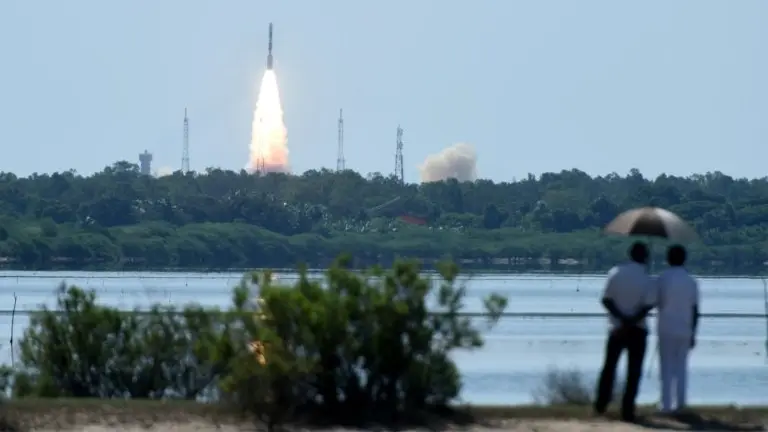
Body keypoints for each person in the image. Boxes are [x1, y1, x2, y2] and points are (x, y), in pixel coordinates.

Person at [594, 242, 655, 422]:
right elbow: (647, 306)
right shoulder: (647, 279)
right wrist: (631, 321)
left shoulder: (615, 273)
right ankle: (627, 410)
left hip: (616, 329)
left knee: (609, 368)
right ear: (645, 257)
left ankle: (601, 405)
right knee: (633, 371)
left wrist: (621, 320)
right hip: (638, 330)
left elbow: (606, 300)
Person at [655, 245, 699, 413]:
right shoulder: (691, 281)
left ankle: (666, 405)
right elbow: (695, 310)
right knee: (681, 368)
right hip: (685, 328)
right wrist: (694, 332)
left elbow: (656, 301)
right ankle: (680, 403)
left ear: (668, 259)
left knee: (666, 367)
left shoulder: (662, 278)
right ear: (684, 260)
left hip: (666, 328)